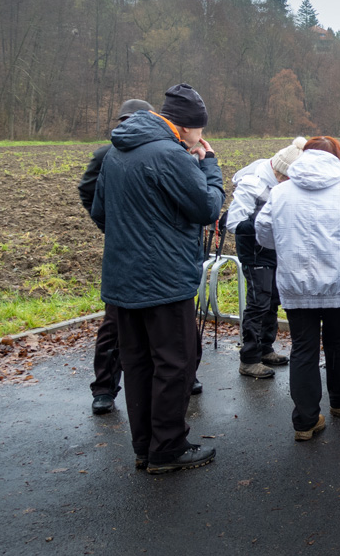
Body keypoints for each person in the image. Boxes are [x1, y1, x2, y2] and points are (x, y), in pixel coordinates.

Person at [91, 83, 224, 473]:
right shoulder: (171, 154)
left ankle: (145, 446)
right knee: (175, 363)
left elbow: (101, 212)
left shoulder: (118, 150)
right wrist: (209, 165)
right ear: (186, 127)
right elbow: (205, 207)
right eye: (200, 130)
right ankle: (168, 447)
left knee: (138, 364)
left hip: (122, 280)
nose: (202, 137)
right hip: (164, 281)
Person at [255, 136, 340, 442]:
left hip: (295, 284)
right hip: (338, 285)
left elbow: (263, 234)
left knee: (303, 348)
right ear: (336, 159)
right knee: (337, 342)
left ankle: (305, 421)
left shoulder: (280, 192)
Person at [78, 98, 152, 415]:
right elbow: (88, 191)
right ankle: (104, 388)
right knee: (115, 323)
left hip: (156, 250)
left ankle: (181, 379)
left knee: (166, 320)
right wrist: (110, 226)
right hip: (123, 252)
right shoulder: (106, 154)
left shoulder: (158, 152)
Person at [226, 137, 308, 379]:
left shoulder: (285, 178)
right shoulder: (252, 183)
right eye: (286, 179)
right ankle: (248, 359)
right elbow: (233, 223)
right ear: (278, 170)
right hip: (254, 251)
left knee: (272, 299)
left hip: (275, 250)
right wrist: (265, 221)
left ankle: (266, 349)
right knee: (258, 302)